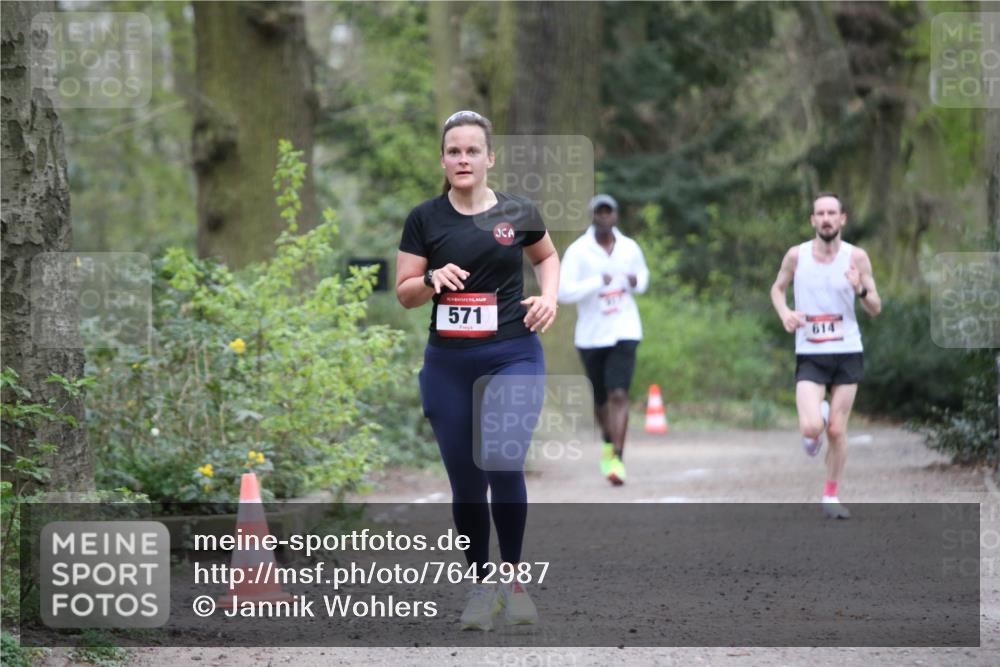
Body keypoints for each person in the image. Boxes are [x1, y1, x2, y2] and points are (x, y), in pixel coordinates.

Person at [395, 110, 559, 630]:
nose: (462, 159)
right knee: (466, 482)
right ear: (442, 160)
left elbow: (547, 257)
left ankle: (513, 582)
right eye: (453, 151)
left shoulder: (518, 210)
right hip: (448, 363)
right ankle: (480, 584)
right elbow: (404, 294)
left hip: (513, 352)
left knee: (503, 458)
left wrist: (548, 298)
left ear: (490, 157)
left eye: (472, 151)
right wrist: (432, 280)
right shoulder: (425, 219)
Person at [770, 192, 881, 519]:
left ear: (842, 218)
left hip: (847, 351)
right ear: (813, 220)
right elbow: (777, 289)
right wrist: (785, 313)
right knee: (810, 429)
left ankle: (831, 496)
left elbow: (875, 307)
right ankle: (815, 419)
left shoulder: (856, 257)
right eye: (820, 213)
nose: (827, 218)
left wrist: (860, 288)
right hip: (811, 353)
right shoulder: (796, 255)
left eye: (832, 212)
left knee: (836, 430)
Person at [558, 194, 649, 485]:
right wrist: (598, 282)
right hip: (592, 335)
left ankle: (617, 460)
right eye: (599, 213)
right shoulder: (578, 252)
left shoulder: (629, 247)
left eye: (609, 212)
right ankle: (609, 442)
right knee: (600, 399)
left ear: (616, 216)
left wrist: (637, 282)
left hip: (625, 329)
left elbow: (643, 275)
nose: (605, 217)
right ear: (592, 216)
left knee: (619, 394)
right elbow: (563, 292)